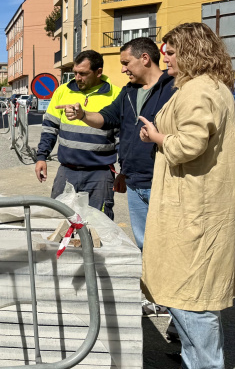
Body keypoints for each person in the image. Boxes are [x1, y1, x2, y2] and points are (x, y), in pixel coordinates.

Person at [137, 22, 235, 369]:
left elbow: (189, 145)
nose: (164, 56)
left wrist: (157, 136)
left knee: (189, 286)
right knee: (189, 281)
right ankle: (194, 353)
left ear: (190, 52)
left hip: (193, 202)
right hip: (198, 198)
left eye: (170, 50)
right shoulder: (211, 87)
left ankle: (203, 367)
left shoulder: (198, 90)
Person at [56, 38, 177, 319]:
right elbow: (109, 119)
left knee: (168, 246)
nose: (123, 69)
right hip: (135, 182)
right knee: (145, 244)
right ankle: (158, 299)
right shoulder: (129, 92)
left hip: (164, 180)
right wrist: (83, 114)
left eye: (126, 63)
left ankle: (176, 308)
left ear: (145, 59)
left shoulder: (173, 89)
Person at [35, 50, 121, 219]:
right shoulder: (62, 91)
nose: (77, 78)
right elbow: (49, 128)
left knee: (98, 225)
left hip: (100, 173)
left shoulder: (116, 95)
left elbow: (122, 137)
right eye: (75, 73)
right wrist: (41, 157)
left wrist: (124, 170)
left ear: (98, 72)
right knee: (59, 219)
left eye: (83, 73)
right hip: (67, 171)